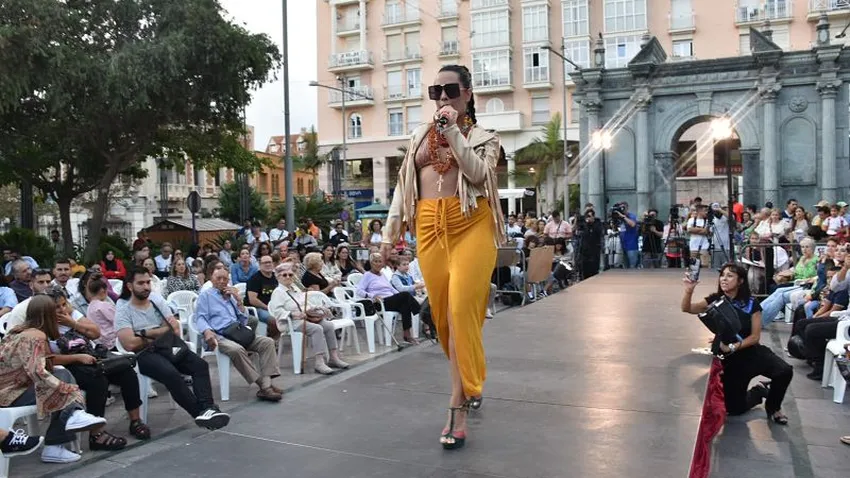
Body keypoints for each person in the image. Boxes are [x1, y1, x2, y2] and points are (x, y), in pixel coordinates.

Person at [381, 64, 505, 450]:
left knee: (460, 310)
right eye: (436, 91)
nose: (443, 97)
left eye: (451, 90)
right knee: (444, 320)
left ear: (468, 94)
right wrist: (389, 233)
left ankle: (457, 405)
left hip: (471, 224)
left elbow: (479, 175)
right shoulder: (419, 135)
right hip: (429, 228)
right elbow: (404, 186)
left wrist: (452, 130)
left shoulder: (486, 137)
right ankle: (470, 380)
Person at [115, 267, 230, 430]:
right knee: (171, 374)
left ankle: (208, 408)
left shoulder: (156, 302)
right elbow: (130, 344)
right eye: (140, 283)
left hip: (168, 346)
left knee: (200, 365)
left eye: (148, 282)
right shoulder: (123, 311)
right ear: (129, 286)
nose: (146, 287)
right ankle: (201, 413)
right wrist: (161, 331)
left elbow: (175, 328)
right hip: (144, 354)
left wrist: (145, 333)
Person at [0, 295, 109, 464]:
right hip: (10, 394)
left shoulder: (20, 331)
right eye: (56, 311)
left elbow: (39, 365)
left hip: (13, 387)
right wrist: (67, 393)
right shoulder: (35, 335)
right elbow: (37, 372)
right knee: (63, 385)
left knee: (62, 375)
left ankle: (68, 424)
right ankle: (64, 429)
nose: (62, 314)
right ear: (49, 316)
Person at [681, 263, 793, 425]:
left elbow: (755, 337)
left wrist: (732, 347)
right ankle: (759, 391)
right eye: (722, 275)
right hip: (732, 362)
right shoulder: (715, 299)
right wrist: (689, 290)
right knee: (734, 409)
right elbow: (687, 308)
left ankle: (774, 407)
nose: (724, 279)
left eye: (730, 276)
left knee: (784, 371)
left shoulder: (751, 304)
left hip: (751, 353)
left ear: (740, 281)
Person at [43, 285, 149, 449]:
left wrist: (72, 323)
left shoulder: (72, 315)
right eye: (57, 307)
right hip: (67, 365)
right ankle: (96, 434)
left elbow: (95, 333)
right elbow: (47, 359)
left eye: (64, 304)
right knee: (98, 381)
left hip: (92, 357)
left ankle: (135, 420)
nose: (62, 309)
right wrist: (77, 357)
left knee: (126, 372)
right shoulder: (42, 326)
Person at [195, 269, 282, 402]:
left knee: (267, 342)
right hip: (219, 335)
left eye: (225, 279)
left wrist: (238, 301)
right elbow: (200, 317)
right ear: (212, 279)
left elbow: (244, 320)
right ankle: (264, 386)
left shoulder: (230, 295)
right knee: (237, 349)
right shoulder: (205, 296)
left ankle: (267, 383)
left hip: (237, 332)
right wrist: (207, 331)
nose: (222, 281)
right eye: (218, 278)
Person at [268, 263, 349, 375]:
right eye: (284, 275)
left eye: (290, 275)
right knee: (317, 329)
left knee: (328, 326)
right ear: (278, 277)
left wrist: (318, 308)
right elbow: (277, 311)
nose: (288, 277)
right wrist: (293, 314)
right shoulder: (278, 292)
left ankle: (333, 357)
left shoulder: (295, 288)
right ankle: (319, 362)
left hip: (307, 318)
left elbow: (306, 303)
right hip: (291, 322)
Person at [245, 255, 281, 339]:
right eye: (265, 263)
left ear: (273, 264)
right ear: (260, 265)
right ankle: (272, 340)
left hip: (273, 306)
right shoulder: (254, 279)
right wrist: (268, 308)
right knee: (274, 320)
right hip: (257, 308)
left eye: (269, 262)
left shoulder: (276, 277)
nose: (268, 264)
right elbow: (253, 300)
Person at [614, 202, 639, 268]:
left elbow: (633, 224)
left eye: (623, 207)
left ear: (627, 208)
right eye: (620, 208)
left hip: (631, 246)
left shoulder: (631, 216)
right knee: (625, 268)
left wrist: (623, 217)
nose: (622, 209)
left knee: (632, 266)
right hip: (623, 246)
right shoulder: (619, 218)